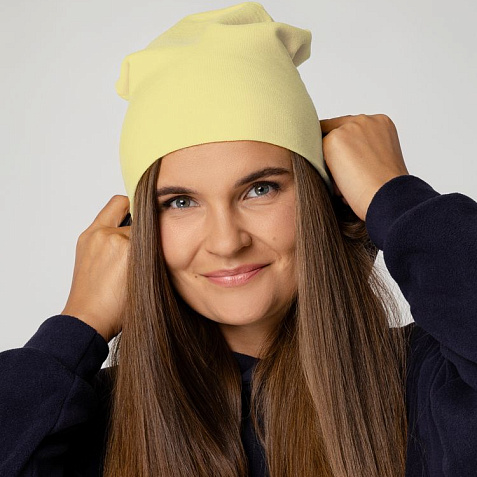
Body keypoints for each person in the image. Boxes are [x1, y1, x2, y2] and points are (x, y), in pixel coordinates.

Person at [1, 2, 476, 476]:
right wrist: (76, 326)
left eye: (260, 189)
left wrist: (394, 197)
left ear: (322, 198)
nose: (227, 242)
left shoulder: (428, 382)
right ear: (138, 229)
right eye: (180, 202)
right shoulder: (86, 425)